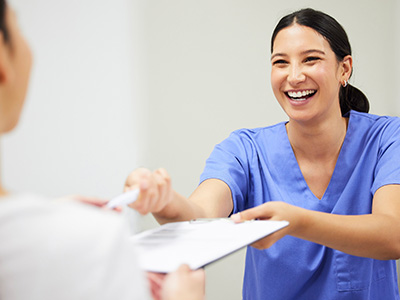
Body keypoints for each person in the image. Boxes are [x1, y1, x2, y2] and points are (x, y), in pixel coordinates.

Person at [124, 8, 400, 300]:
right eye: (280, 63)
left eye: (311, 59)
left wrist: (296, 221)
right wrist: (164, 200)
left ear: (344, 68)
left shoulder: (386, 138)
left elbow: (393, 234)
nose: (294, 76)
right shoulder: (245, 150)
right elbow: (200, 217)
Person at [0, 1, 205, 299]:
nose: (295, 76)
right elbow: (208, 216)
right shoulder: (93, 243)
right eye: (17, 26)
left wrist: (45, 217)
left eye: (302, 59)